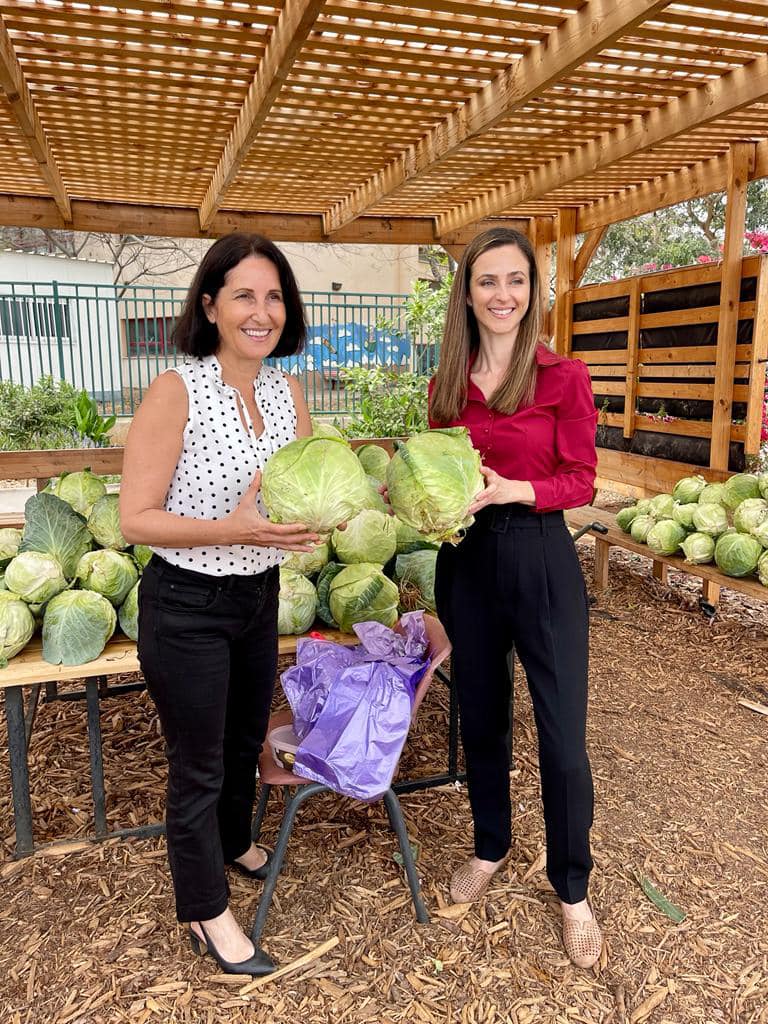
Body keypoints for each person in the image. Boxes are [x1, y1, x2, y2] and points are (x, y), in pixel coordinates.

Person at [120, 233, 319, 976]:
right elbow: (135, 519)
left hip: (255, 595)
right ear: (209, 305)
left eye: (273, 296)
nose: (260, 311)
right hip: (187, 602)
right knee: (198, 764)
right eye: (243, 294)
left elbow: (293, 490)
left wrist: (313, 521)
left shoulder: (285, 390)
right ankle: (205, 912)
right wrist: (236, 527)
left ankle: (234, 840)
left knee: (244, 742)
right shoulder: (177, 388)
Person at [428, 227, 601, 968]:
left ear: (533, 292)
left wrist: (516, 489)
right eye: (488, 281)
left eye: (516, 281)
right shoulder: (447, 381)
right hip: (466, 562)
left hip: (539, 554)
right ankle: (490, 845)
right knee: (483, 717)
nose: (503, 295)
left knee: (562, 737)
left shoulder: (563, 376)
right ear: (467, 293)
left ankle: (572, 889)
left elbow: (583, 478)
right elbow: (434, 465)